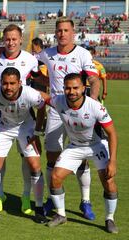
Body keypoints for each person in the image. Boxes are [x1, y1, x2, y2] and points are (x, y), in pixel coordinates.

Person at [35, 17, 100, 219]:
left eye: (66, 30)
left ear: (73, 32)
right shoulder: (47, 53)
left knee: (81, 156)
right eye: (59, 30)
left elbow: (94, 80)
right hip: (56, 110)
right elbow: (30, 68)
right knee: (52, 155)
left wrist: (92, 103)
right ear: (55, 33)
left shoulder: (82, 54)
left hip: (78, 112)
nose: (62, 33)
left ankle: (85, 201)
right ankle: (52, 199)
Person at [45, 73, 118, 234]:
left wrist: (112, 161)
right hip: (75, 147)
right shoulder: (59, 101)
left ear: (84, 88)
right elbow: (44, 98)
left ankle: (110, 218)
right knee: (55, 177)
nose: (71, 91)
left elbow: (112, 133)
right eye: (68, 88)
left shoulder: (95, 107)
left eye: (76, 88)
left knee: (108, 181)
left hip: (97, 146)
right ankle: (61, 214)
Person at [0, 24, 41, 214]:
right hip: (3, 120)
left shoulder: (31, 60)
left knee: (30, 162)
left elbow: (41, 83)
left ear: (21, 39)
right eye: (7, 39)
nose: (11, 42)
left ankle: (27, 197)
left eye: (14, 39)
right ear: (3, 40)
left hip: (25, 119)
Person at [0, 67, 49, 223]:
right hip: (4, 126)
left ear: (19, 83)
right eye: (5, 83)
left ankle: (38, 208)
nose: (8, 87)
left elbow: (41, 107)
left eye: (12, 83)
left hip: (26, 126)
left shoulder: (31, 94)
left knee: (34, 165)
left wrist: (37, 132)